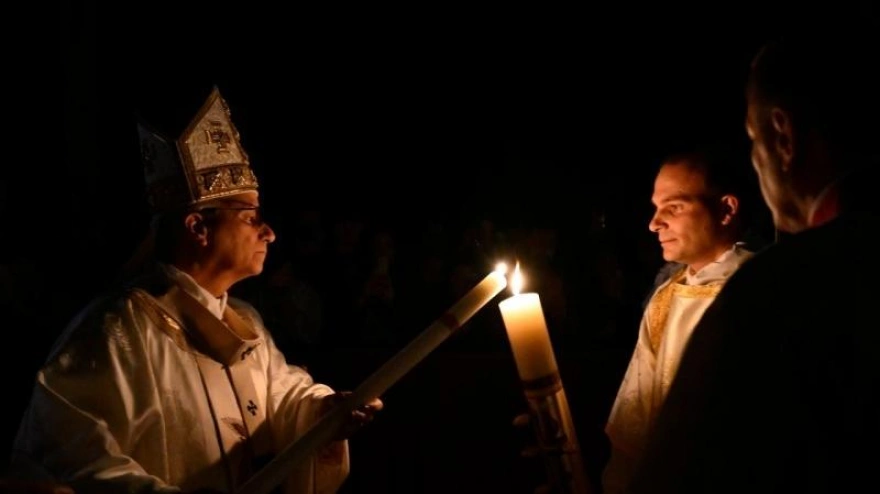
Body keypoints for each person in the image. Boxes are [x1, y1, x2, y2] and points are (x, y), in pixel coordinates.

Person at [9, 86, 382, 494]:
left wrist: (325, 412)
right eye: (250, 216)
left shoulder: (243, 321)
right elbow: (69, 458)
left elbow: (281, 398)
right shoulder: (119, 329)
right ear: (198, 227)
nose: (269, 233)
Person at [628, 27, 880, 494]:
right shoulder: (675, 299)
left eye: (752, 139)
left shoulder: (770, 294)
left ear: (783, 136)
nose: (654, 223)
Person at [601, 151, 757, 494]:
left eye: (673, 207)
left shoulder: (762, 291)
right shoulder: (665, 298)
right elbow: (634, 427)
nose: (654, 223)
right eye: (656, 208)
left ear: (726, 209)